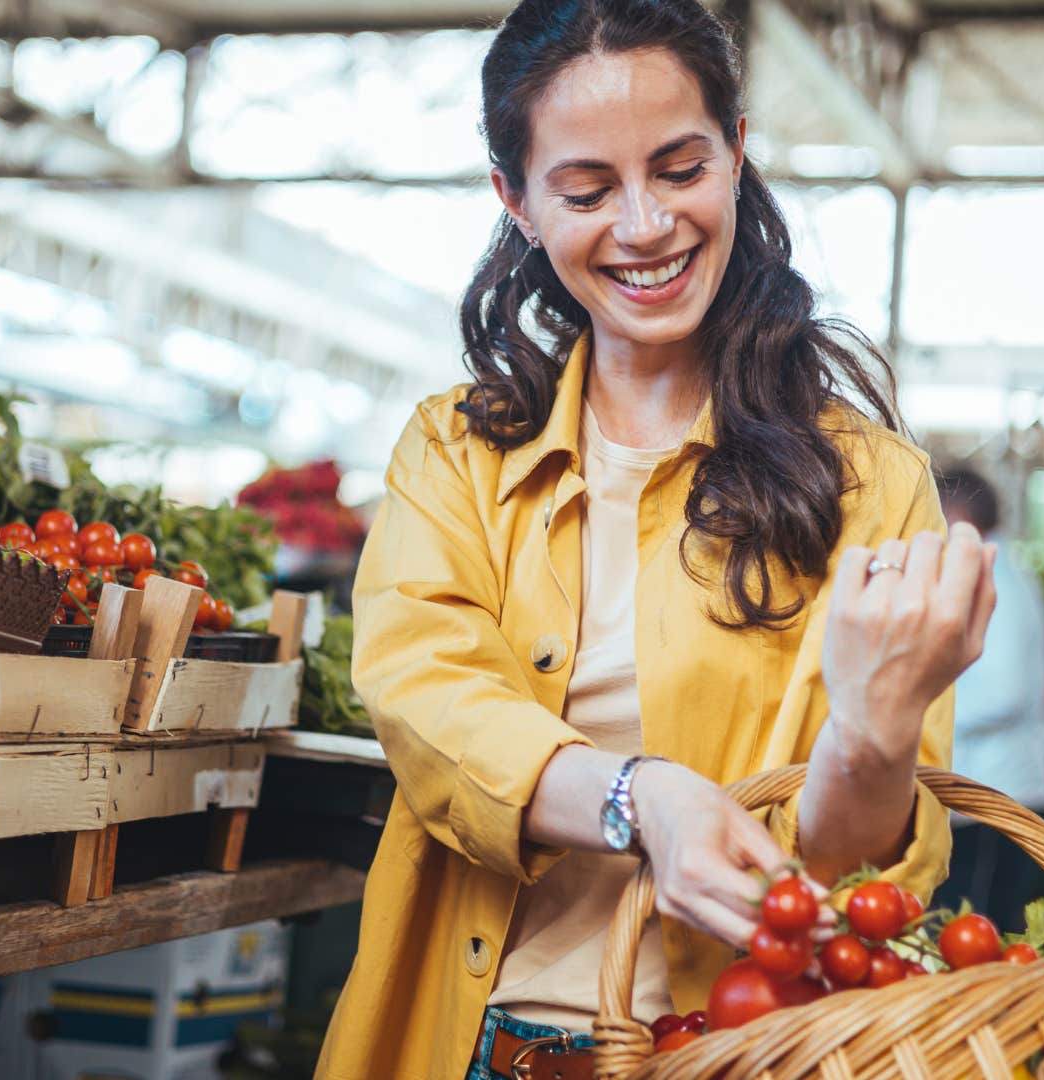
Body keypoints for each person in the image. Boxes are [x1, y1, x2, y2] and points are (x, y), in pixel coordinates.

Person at [315, 2, 998, 1076]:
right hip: (482, 1049)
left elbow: (857, 879)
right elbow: (427, 700)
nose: (643, 226)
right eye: (588, 191)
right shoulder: (453, 454)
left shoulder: (872, 485)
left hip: (737, 1049)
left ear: (736, 154)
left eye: (681, 169)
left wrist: (873, 732)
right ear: (519, 203)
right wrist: (642, 800)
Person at [932, 466, 1044, 933]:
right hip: (994, 786)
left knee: (976, 927)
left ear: (960, 517)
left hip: (994, 791)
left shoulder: (998, 579)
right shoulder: (1005, 571)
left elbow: (1004, 693)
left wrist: (919, 709)